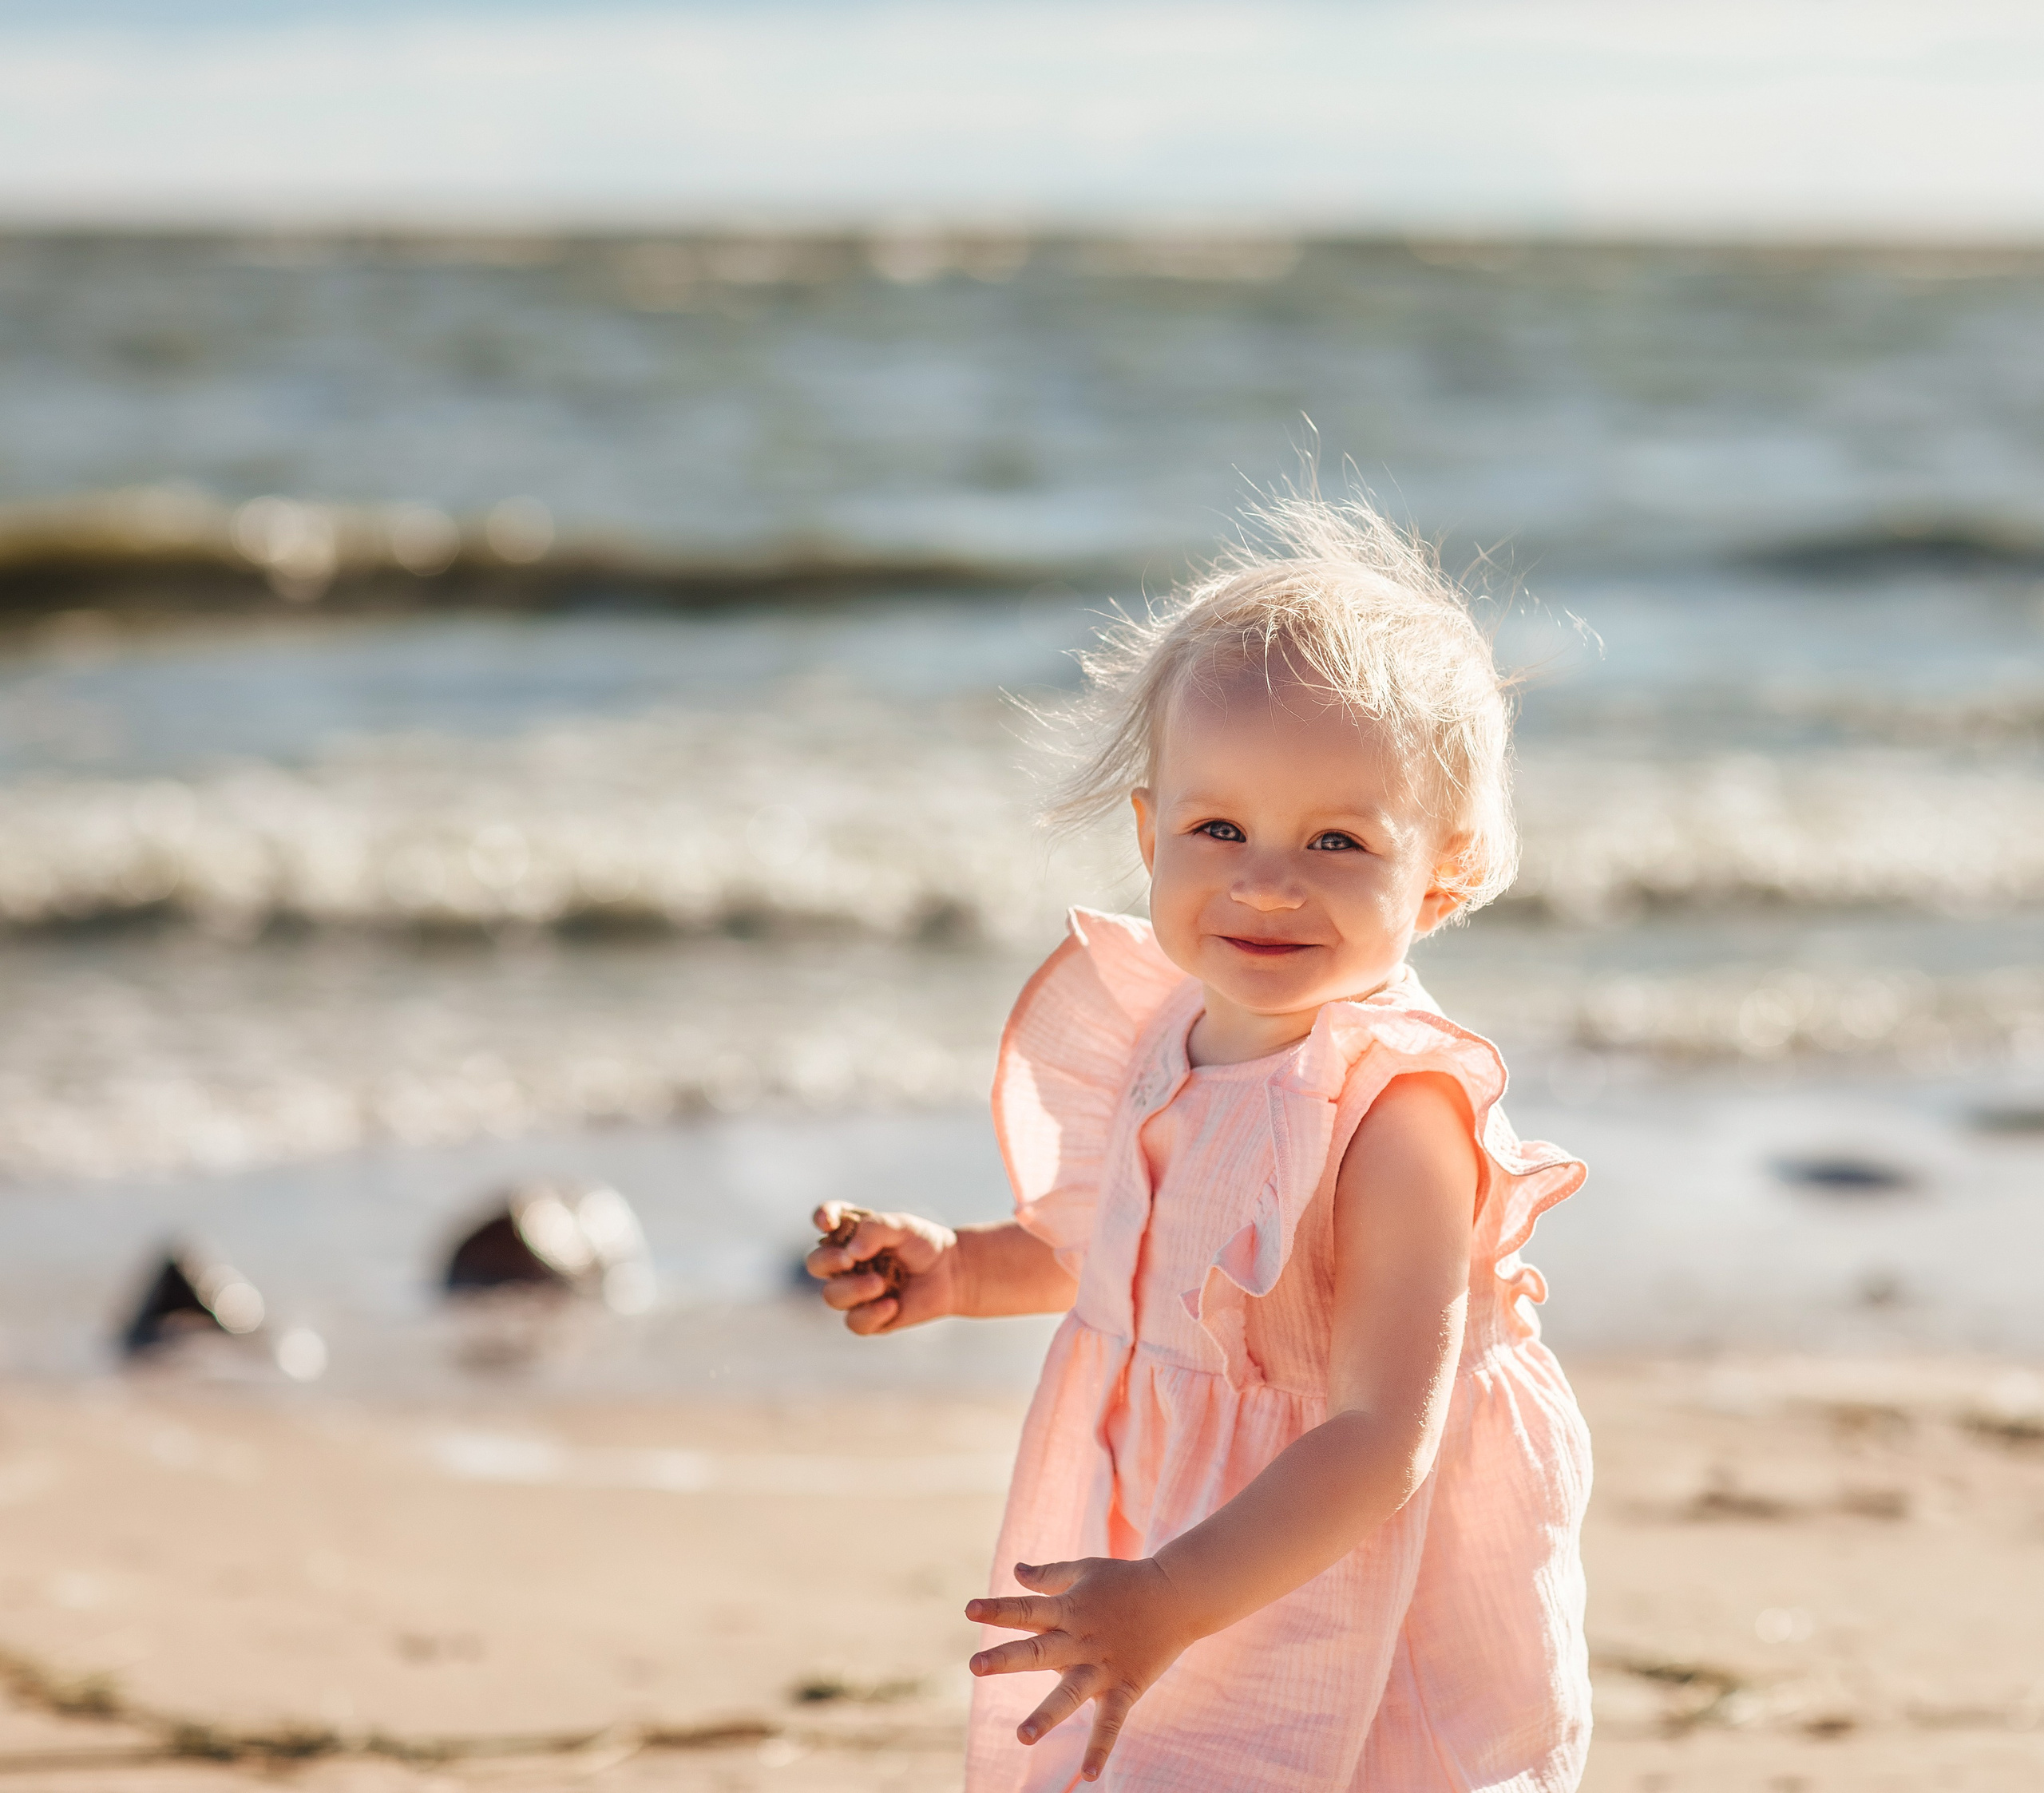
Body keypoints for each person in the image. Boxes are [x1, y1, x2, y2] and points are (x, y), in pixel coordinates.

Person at [807, 495, 1590, 1791]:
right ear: (1148, 830)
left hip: (1324, 1570)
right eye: (1219, 828)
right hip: (1166, 1538)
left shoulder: (1395, 1115)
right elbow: (1125, 1257)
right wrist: (962, 1268)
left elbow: (1381, 1436)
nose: (1267, 880)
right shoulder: (1165, 1029)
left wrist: (1174, 1595)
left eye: (1338, 841)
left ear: (1442, 873)